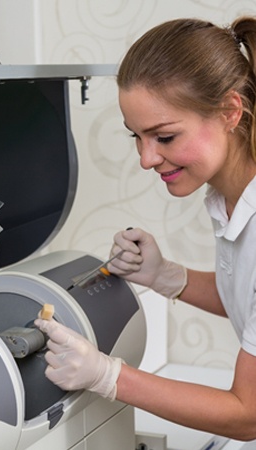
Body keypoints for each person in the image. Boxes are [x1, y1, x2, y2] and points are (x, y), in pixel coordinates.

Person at [35, 16, 256, 441]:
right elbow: (246, 297)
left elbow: (248, 414)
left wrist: (107, 375)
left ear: (230, 111)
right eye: (136, 136)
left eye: (165, 137)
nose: (146, 159)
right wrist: (166, 277)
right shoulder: (228, 197)